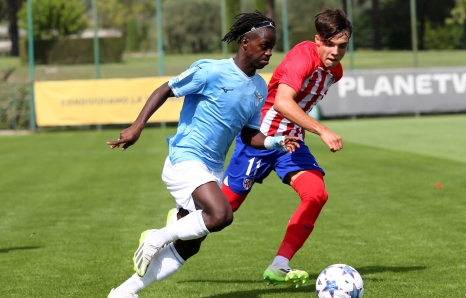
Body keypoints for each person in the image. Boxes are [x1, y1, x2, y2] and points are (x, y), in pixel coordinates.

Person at [105, 11, 299, 298]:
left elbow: (248, 133)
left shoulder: (259, 87)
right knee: (221, 215)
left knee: (189, 245)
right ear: (245, 43)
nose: (270, 52)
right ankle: (157, 237)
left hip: (211, 169)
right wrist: (137, 126)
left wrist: (275, 142)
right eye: (264, 45)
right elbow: (166, 89)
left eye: (272, 46)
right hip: (185, 158)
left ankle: (123, 293)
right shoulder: (210, 70)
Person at [221, 8, 353, 287]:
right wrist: (322, 129)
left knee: (316, 194)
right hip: (262, 138)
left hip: (291, 142)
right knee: (221, 212)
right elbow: (282, 102)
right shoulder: (301, 58)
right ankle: (174, 223)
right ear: (318, 40)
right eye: (329, 44)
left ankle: (279, 265)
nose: (336, 52)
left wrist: (306, 131)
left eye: (342, 46)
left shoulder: (335, 71)